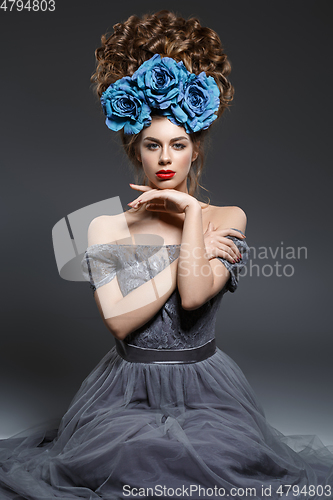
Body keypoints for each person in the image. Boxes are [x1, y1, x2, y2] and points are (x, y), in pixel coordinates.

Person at [0, 10, 332, 500]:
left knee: (219, 460)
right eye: (152, 145)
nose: (164, 158)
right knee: (122, 461)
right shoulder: (105, 225)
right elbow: (119, 322)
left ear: (194, 150)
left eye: (177, 144)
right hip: (125, 387)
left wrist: (192, 214)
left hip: (206, 388)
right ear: (136, 149)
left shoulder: (227, 217)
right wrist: (181, 250)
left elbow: (195, 297)